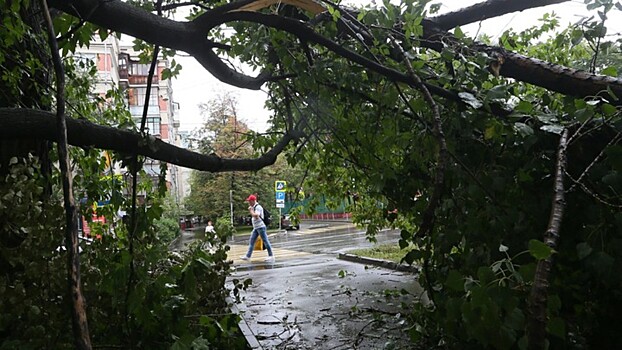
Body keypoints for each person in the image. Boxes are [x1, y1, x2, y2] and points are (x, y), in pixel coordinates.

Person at [240, 194, 275, 263]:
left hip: (261, 227)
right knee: (251, 241)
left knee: (265, 241)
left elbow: (256, 215)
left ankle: (271, 256)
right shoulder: (254, 207)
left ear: (253, 201)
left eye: (249, 201)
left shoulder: (258, 207)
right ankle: (248, 256)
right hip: (256, 227)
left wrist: (251, 211)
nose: (249, 202)